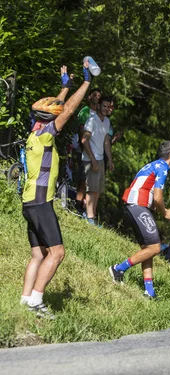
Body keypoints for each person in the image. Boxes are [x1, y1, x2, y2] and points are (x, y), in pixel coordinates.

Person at [21, 62, 92, 318]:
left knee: (38, 254)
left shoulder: (35, 132)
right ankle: (37, 302)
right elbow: (69, 109)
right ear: (50, 119)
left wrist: (64, 87)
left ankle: (25, 300)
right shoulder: (47, 135)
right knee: (57, 253)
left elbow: (55, 107)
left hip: (29, 202)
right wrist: (86, 83)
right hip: (41, 202)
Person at [108, 141, 170, 298]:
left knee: (148, 250)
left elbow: (148, 193)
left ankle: (149, 291)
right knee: (155, 248)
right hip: (137, 207)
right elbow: (157, 196)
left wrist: (162, 209)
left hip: (134, 206)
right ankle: (118, 269)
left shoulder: (154, 165)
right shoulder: (162, 167)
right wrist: (165, 214)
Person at [81, 96, 114, 225]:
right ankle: (89, 216)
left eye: (108, 106)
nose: (106, 109)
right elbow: (84, 139)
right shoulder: (91, 120)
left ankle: (92, 215)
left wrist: (109, 159)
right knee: (91, 188)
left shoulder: (106, 122)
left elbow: (106, 141)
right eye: (104, 106)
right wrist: (92, 159)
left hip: (100, 158)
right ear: (99, 106)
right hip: (91, 158)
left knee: (98, 190)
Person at [74, 87, 102, 213]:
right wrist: (83, 146)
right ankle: (78, 204)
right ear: (89, 97)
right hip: (84, 150)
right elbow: (81, 131)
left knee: (93, 182)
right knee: (83, 179)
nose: (97, 97)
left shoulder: (101, 115)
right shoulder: (85, 112)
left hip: (96, 152)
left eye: (99, 95)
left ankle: (89, 208)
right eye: (95, 95)